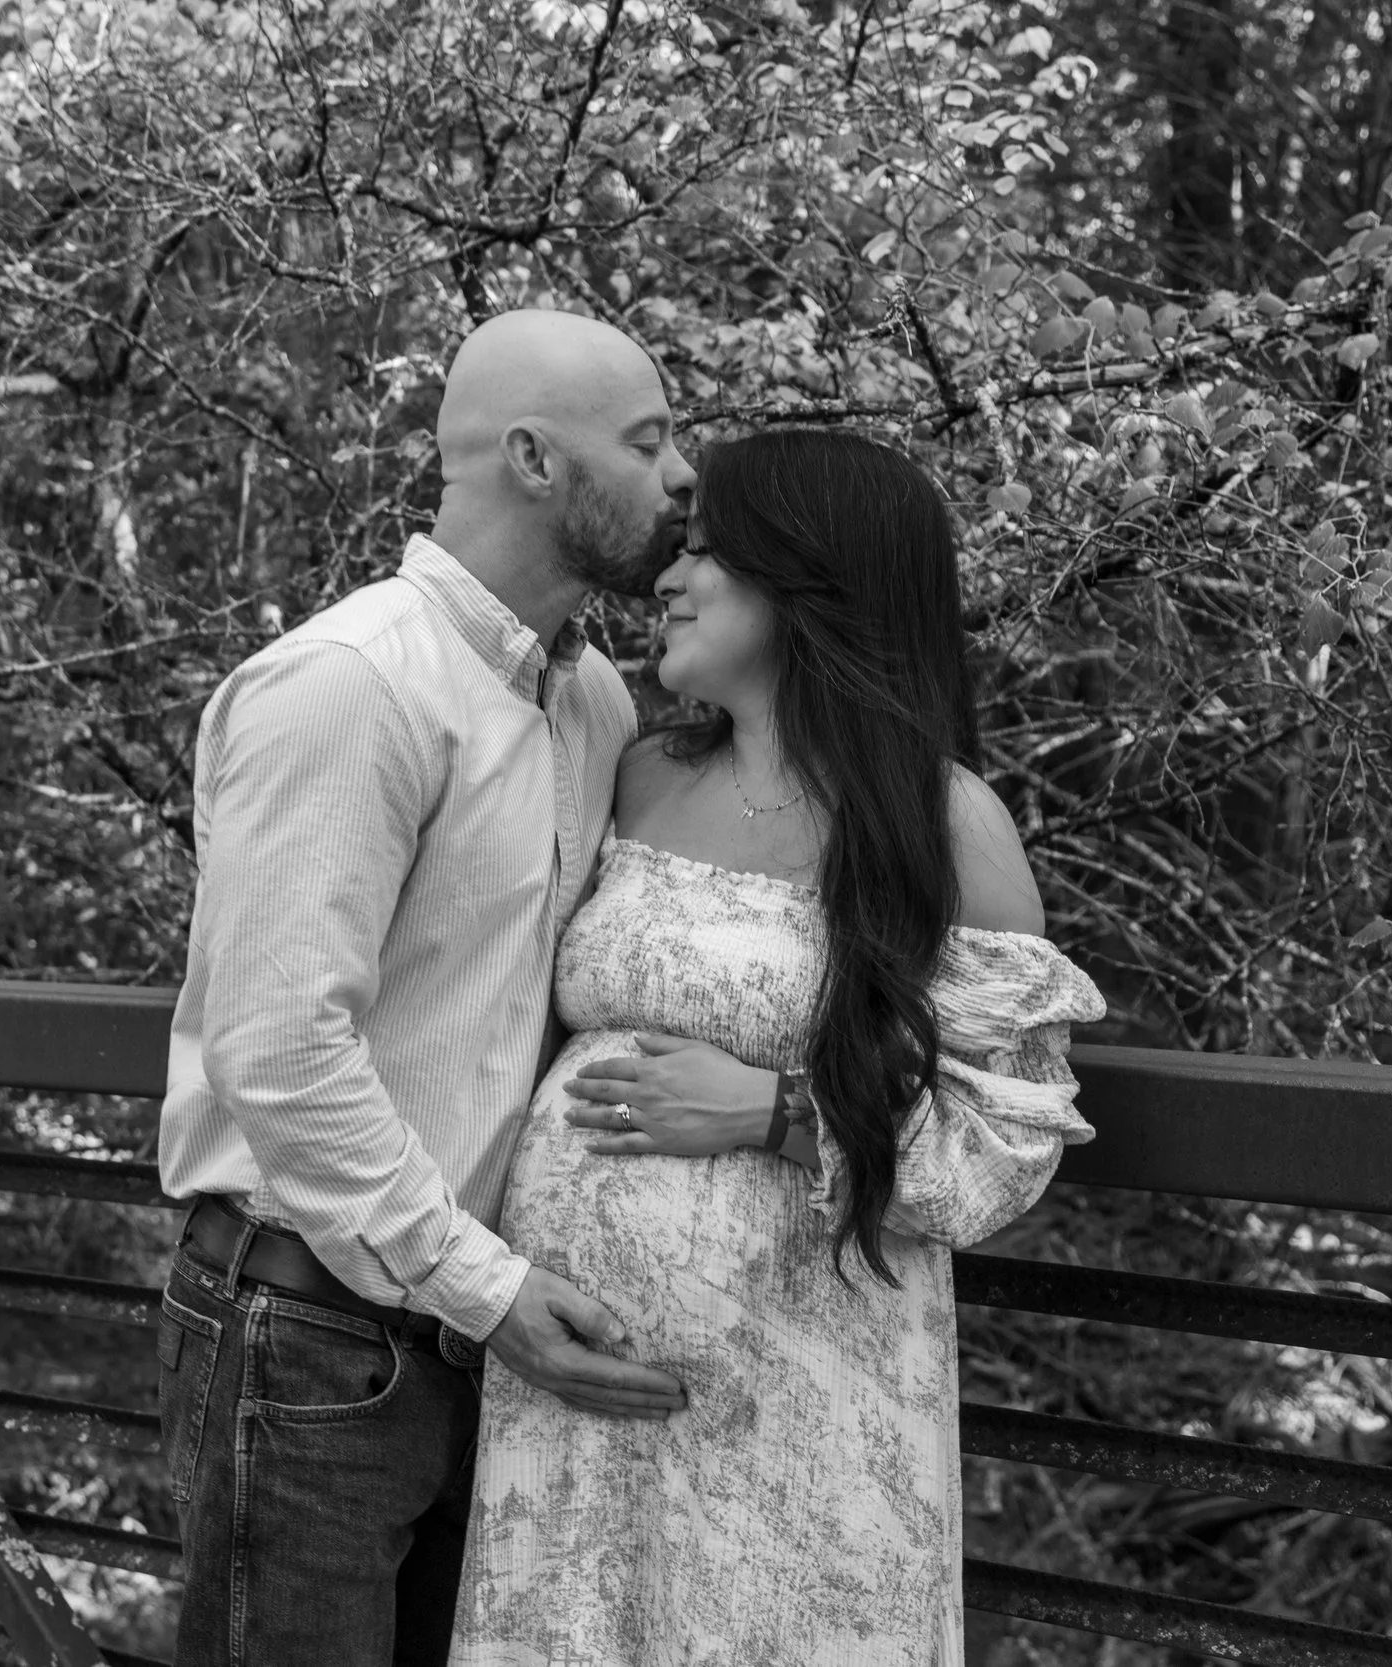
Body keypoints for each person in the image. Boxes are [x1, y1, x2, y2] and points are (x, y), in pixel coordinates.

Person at [450, 429, 1107, 1665]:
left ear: (810, 581)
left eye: (706, 554)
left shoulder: (941, 822)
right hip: (575, 1390)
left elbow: (1003, 1142)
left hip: (805, 1400)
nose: (668, 578)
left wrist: (771, 1109)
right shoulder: (639, 774)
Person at [155, 308, 700, 1667]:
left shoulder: (596, 707)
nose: (686, 473)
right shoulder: (351, 687)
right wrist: (489, 1286)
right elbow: (278, 1052)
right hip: (308, 1336)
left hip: (476, 1336)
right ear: (533, 457)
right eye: (649, 441)